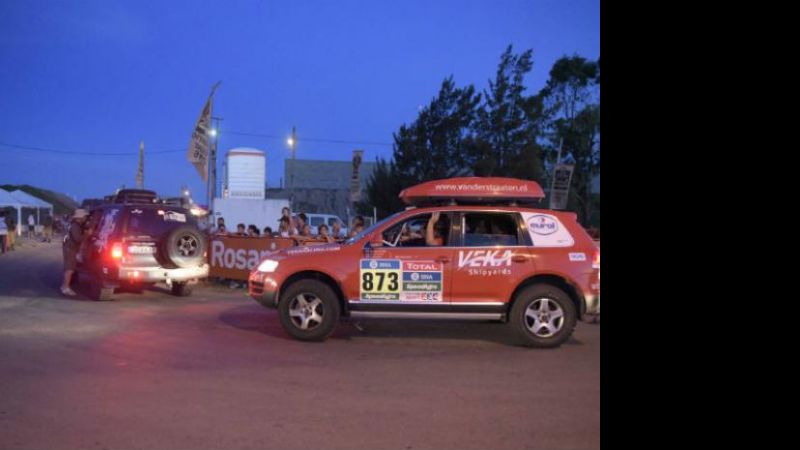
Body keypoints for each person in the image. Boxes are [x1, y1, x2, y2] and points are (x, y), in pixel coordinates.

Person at [61, 209, 89, 296]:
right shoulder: (75, 226)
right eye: (84, 216)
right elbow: (77, 239)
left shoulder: (74, 224)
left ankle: (64, 286)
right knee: (69, 269)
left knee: (69, 268)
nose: (85, 218)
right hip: (70, 249)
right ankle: (65, 287)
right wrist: (87, 235)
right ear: (80, 217)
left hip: (69, 248)